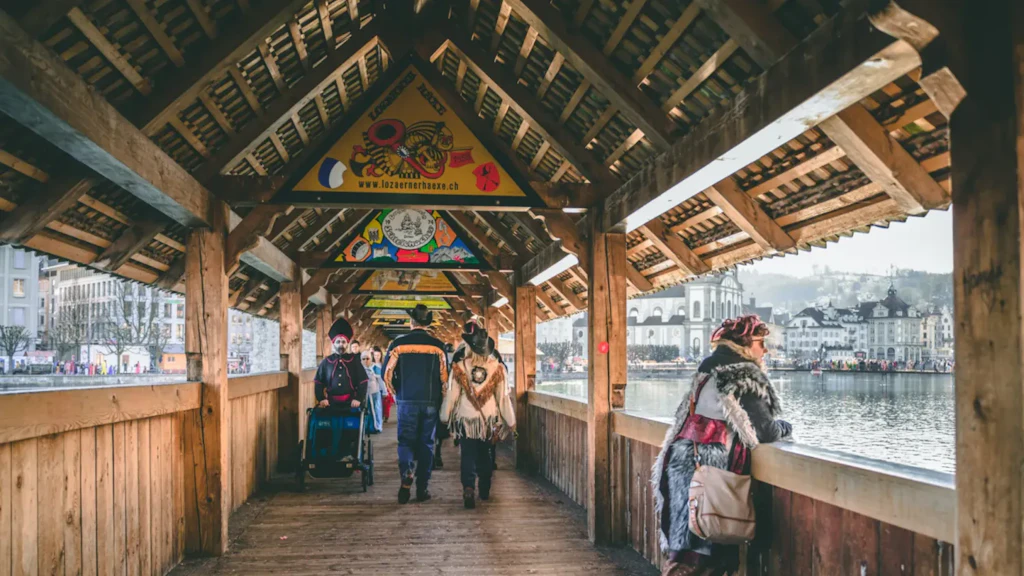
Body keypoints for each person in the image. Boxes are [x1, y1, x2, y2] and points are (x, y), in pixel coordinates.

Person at [652, 315, 792, 576]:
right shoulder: (745, 373)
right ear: (746, 344)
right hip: (715, 470)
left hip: (683, 460)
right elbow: (766, 430)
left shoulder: (707, 367)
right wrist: (785, 427)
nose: (765, 350)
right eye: (761, 342)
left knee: (684, 547)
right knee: (712, 544)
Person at [442, 317, 515, 509]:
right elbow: (503, 398)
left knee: (467, 455)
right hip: (488, 420)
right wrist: (511, 421)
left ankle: (468, 487)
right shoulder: (497, 368)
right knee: (486, 455)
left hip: (466, 419)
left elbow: (452, 394)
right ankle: (484, 487)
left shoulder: (460, 366)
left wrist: (445, 415)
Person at [383, 304, 448, 504]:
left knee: (405, 442)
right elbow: (444, 378)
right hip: (430, 402)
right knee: (427, 443)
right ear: (427, 323)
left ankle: (407, 472)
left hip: (406, 400)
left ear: (411, 322)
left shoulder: (398, 345)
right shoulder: (438, 346)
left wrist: (396, 393)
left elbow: (386, 373)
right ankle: (422, 488)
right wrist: (441, 398)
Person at [313, 317, 369, 414]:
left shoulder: (354, 361)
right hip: (330, 404)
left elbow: (363, 381)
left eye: (343, 342)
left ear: (347, 344)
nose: (341, 345)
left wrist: (358, 398)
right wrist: (321, 399)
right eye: (338, 342)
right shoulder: (326, 361)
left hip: (351, 404)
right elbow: (318, 382)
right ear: (333, 343)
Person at [361, 350, 384, 433]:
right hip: (364, 394)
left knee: (376, 410)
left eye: (367, 358)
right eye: (363, 359)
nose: (365, 361)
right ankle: (366, 427)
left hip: (375, 393)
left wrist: (384, 391)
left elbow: (381, 380)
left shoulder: (376, 368)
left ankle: (377, 427)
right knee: (366, 412)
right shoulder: (359, 369)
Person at [373, 346, 392, 423]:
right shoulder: (371, 365)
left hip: (383, 386)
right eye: (375, 355)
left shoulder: (383, 364)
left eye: (378, 355)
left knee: (385, 404)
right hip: (375, 387)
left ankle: (385, 416)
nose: (377, 357)